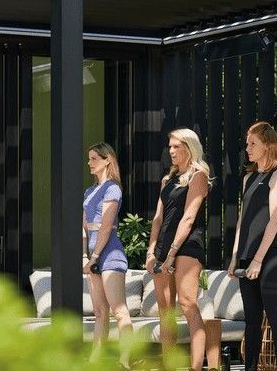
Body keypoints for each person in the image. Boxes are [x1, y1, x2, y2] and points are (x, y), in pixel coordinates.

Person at [145, 128, 211, 371]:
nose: (171, 151)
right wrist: (152, 251)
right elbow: (158, 219)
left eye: (177, 147)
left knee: (187, 303)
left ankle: (196, 367)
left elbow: (189, 217)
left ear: (190, 148)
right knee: (165, 311)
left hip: (188, 244)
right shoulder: (167, 179)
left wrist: (172, 253)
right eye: (170, 146)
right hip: (163, 247)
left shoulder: (198, 175)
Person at [228, 121, 277, 371]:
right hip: (247, 256)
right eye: (247, 144)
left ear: (268, 145)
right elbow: (243, 221)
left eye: (252, 143)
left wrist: (258, 260)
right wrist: (236, 256)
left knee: (275, 317)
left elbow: (275, 220)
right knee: (252, 321)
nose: (248, 148)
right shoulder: (248, 178)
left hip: (271, 256)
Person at [82, 142, 133, 369]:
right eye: (89, 158)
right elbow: (84, 227)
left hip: (110, 253)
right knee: (99, 313)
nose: (89, 163)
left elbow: (105, 225)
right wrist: (85, 256)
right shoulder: (88, 191)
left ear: (107, 160)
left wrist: (94, 257)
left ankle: (125, 361)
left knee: (119, 311)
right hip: (92, 255)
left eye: (94, 158)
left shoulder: (113, 188)